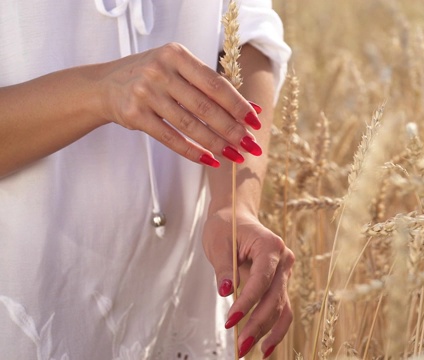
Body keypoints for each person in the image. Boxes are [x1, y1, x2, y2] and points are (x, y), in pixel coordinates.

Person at [0, 0, 293, 359]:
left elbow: (244, 34)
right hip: (31, 291)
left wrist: (235, 204)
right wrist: (100, 91)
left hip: (184, 281)